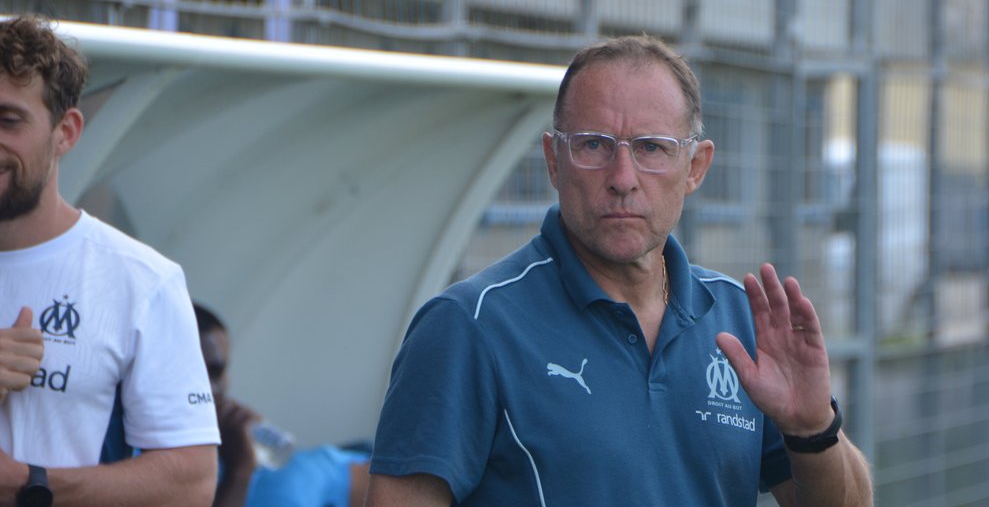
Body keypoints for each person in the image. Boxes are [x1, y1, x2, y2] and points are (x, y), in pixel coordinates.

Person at [365, 35, 873, 506]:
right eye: (593, 145)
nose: (623, 178)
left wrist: (812, 429)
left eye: (652, 148)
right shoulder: (468, 327)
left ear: (695, 167)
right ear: (553, 160)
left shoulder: (741, 324)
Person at [0, 14, 219, 506]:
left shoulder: (141, 281)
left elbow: (191, 485)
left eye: (8, 120)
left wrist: (28, 484)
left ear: (66, 132)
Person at [195, 304, 369, 507]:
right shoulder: (161, 458)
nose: (208, 388)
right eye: (195, 373)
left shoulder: (230, 435)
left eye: (217, 372)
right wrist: (239, 472)